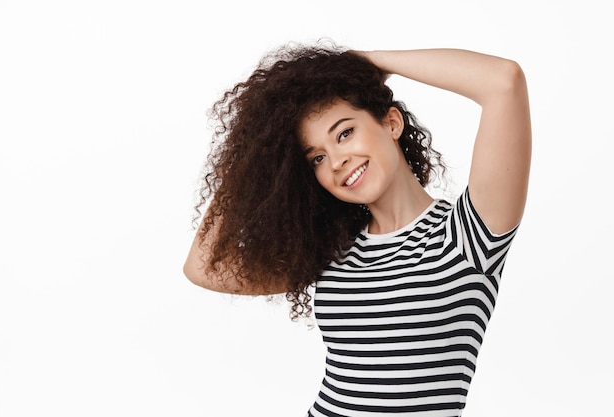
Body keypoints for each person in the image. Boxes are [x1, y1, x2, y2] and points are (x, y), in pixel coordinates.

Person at [183, 41, 531, 416]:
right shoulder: (332, 251)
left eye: (345, 133)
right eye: (316, 157)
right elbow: (203, 267)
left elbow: (503, 81)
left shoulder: (467, 235)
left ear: (391, 122)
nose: (336, 161)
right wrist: (252, 156)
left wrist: (365, 64)